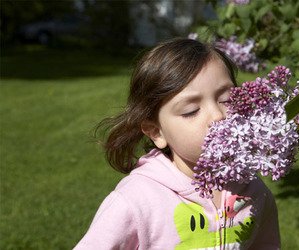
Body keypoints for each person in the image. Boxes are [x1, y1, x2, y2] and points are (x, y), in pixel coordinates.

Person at [75, 38, 280, 249]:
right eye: (191, 111)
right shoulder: (135, 202)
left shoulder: (255, 190)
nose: (218, 116)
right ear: (156, 132)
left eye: (227, 100)